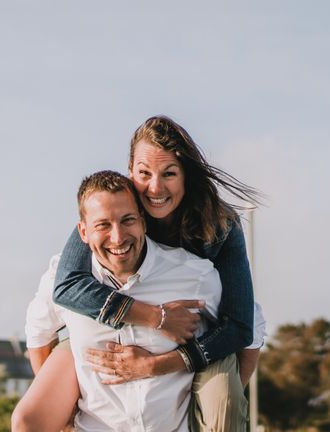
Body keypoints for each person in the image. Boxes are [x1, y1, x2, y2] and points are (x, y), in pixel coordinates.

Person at [14, 116, 263, 431]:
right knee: (29, 415)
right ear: (130, 172)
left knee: (223, 403)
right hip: (102, 327)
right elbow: (66, 287)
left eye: (169, 173)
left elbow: (243, 325)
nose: (155, 187)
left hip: (197, 336)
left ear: (186, 176)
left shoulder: (217, 229)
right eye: (145, 173)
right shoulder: (109, 212)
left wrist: (161, 365)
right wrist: (155, 317)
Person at [17, 171, 222, 431]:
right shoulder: (60, 280)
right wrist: (63, 407)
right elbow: (37, 335)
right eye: (103, 225)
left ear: (143, 221)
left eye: (128, 221)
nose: (118, 237)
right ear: (83, 231)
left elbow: (246, 333)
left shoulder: (194, 275)